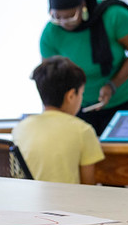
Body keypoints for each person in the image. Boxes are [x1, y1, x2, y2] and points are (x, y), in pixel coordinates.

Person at [42, 0, 128, 136]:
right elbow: (50, 77)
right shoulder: (51, 33)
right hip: (78, 108)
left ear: (83, 4)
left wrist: (112, 85)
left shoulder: (114, 16)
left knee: (124, 159)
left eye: (70, 16)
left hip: (121, 101)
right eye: (57, 17)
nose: (64, 23)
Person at [12, 56, 105, 185]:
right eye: (81, 93)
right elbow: (88, 186)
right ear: (71, 96)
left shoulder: (21, 128)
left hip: (27, 203)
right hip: (66, 204)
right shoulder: (83, 130)